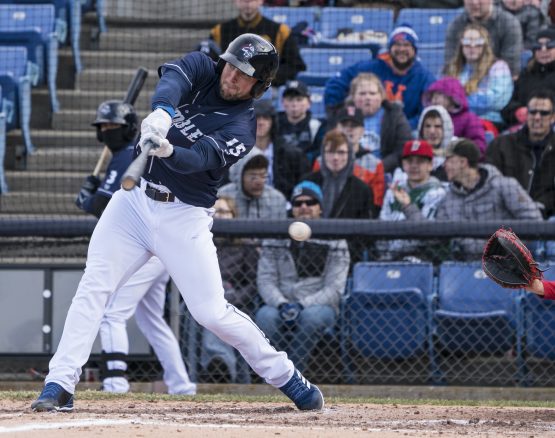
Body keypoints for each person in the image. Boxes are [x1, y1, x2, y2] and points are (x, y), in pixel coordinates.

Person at [31, 33, 324, 413]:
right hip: (134, 203)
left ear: (259, 85)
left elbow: (199, 158)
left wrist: (168, 149)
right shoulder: (206, 67)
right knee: (95, 287)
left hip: (184, 216)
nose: (232, 76)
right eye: (232, 65)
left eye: (244, 74)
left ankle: (286, 376)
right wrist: (162, 111)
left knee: (210, 312)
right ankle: (60, 382)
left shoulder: (242, 128)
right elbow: (174, 77)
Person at [73, 100, 197, 396]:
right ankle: (182, 385)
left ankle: (115, 384)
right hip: (155, 246)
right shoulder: (123, 155)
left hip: (148, 246)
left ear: (127, 128)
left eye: (113, 126)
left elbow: (103, 206)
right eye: (103, 127)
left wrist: (85, 199)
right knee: (151, 319)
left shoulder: (125, 158)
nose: (107, 131)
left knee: (112, 312)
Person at [255, 181, 350, 373]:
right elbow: (265, 280)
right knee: (265, 317)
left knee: (310, 318)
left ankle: (294, 375)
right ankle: (276, 373)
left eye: (310, 202)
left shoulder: (335, 238)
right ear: (292, 209)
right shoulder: (276, 236)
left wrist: (302, 305)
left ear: (320, 208)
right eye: (298, 203)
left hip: (318, 305)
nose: (304, 207)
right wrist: (282, 304)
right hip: (280, 302)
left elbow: (335, 289)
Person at [436, 138, 543, 259]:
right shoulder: (448, 200)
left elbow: (534, 221)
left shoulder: (504, 186)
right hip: (465, 267)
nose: (444, 165)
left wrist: (505, 250)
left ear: (463, 162)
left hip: (508, 264)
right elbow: (437, 238)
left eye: (448, 160)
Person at [324, 24, 436, 129]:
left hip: (406, 131)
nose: (401, 49)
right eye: (397, 44)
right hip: (365, 127)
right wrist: (336, 114)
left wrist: (400, 127)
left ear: (414, 50)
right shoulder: (370, 67)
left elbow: (427, 113)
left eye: (406, 45)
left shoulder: (424, 77)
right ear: (390, 48)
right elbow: (335, 84)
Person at [200, 196, 259, 384]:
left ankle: (220, 366)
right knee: (210, 312)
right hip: (204, 300)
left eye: (225, 211)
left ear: (234, 215)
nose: (220, 216)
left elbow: (253, 284)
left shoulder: (246, 246)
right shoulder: (199, 244)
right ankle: (219, 367)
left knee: (219, 313)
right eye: (216, 212)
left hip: (239, 302)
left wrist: (235, 296)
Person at [487, 90, 555, 220]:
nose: (537, 117)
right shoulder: (501, 144)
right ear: (527, 114)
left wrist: (540, 206)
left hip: (546, 220)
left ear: (553, 117)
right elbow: (490, 184)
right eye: (533, 112)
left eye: (544, 113)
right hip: (505, 218)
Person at [377, 140, 447, 262]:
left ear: (430, 165)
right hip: (388, 255)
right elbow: (382, 227)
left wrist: (407, 206)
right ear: (403, 164)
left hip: (421, 257)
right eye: (410, 161)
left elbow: (426, 233)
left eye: (420, 161)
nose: (414, 166)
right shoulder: (393, 191)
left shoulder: (437, 193)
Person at [209, 0, 305, 86]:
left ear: (261, 1)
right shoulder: (219, 31)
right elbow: (211, 63)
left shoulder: (280, 31)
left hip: (266, 89)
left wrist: (263, 77)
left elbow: (296, 65)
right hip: (229, 84)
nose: (248, 2)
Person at [443, 23, 514, 127]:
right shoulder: (453, 69)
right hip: (454, 121)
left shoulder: (499, 67)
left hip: (488, 122)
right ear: (461, 46)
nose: (472, 47)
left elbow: (497, 101)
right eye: (467, 43)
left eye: (478, 43)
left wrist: (459, 101)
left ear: (485, 45)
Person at [346, 73, 413, 174]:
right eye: (362, 94)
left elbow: (403, 148)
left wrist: (380, 168)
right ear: (353, 97)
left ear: (381, 96)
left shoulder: (394, 115)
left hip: (385, 171)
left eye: (372, 93)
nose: (368, 97)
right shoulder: (343, 117)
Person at [444, 0, 523, 78]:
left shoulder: (509, 24)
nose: (474, 2)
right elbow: (450, 64)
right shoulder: (456, 25)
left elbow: (512, 71)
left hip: (497, 82)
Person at [252, 99, 310, 199]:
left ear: (272, 122)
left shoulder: (291, 154)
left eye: (265, 118)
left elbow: (303, 186)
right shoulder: (236, 152)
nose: (261, 122)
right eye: (256, 118)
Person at [502, 26, 555, 128]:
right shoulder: (526, 74)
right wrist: (517, 112)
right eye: (538, 46)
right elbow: (508, 108)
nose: (543, 50)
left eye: (549, 45)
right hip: (523, 128)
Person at [422, 77, 487, 156]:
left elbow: (479, 148)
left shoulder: (470, 119)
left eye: (439, 94)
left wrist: (451, 152)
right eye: (432, 95)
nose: (434, 99)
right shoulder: (429, 117)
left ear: (452, 97)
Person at [218, 146, 287, 219]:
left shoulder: (277, 199)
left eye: (263, 176)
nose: (259, 181)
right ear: (239, 176)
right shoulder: (222, 196)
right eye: (253, 177)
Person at [275, 80, 326, 166]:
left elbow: (320, 152)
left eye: (299, 99)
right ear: (283, 102)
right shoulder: (274, 125)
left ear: (309, 103)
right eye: (290, 99)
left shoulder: (317, 126)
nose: (294, 104)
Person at [416, 105, 457, 182]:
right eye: (427, 126)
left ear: (446, 129)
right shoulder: (413, 152)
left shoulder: (457, 152)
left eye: (437, 126)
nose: (432, 131)